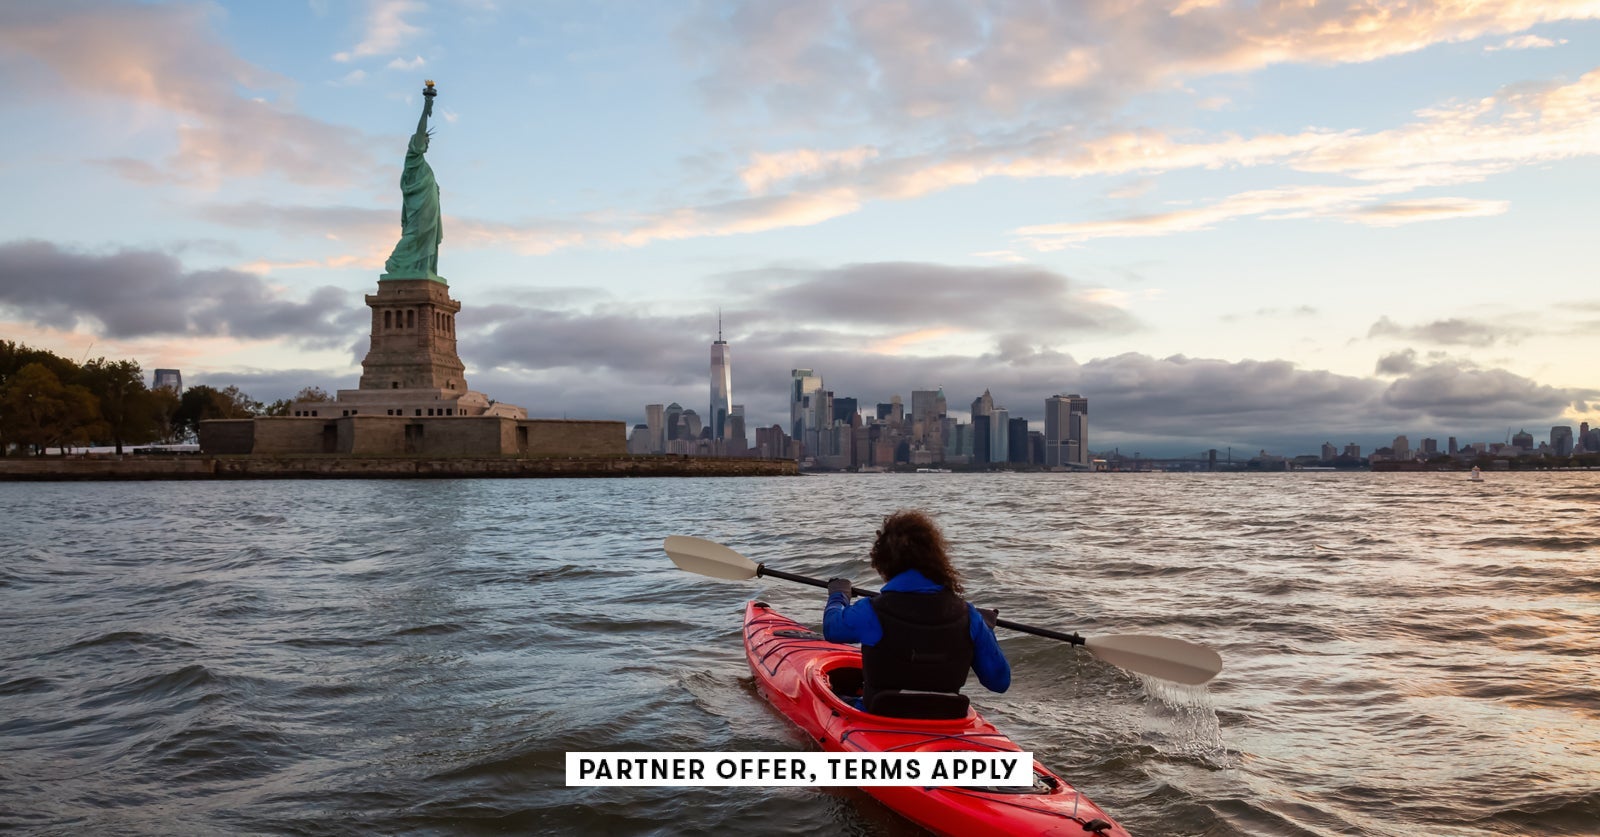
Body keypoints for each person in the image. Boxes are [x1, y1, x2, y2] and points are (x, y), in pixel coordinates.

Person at [824, 510, 1010, 717]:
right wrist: (985, 629)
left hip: (882, 714)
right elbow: (999, 682)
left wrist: (838, 594)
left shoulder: (871, 610)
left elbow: (832, 629)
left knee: (836, 691)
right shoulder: (969, 617)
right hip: (946, 716)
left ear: (884, 562)